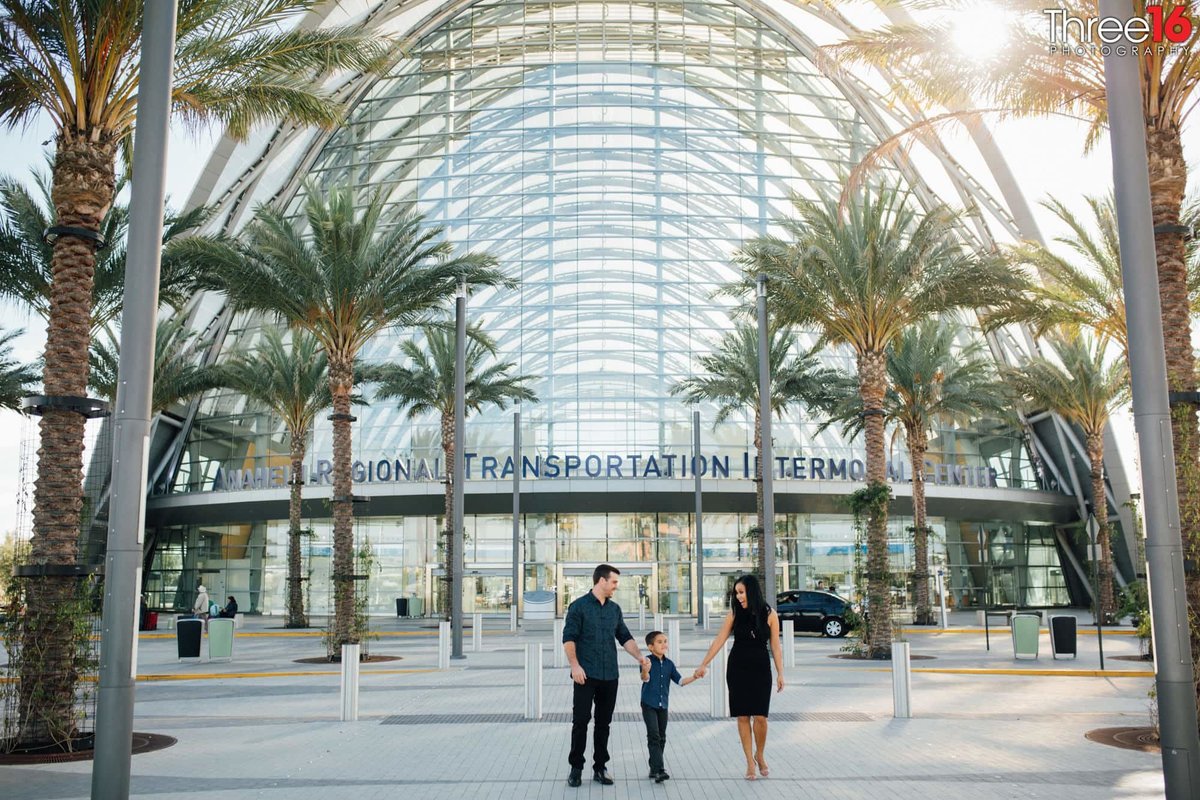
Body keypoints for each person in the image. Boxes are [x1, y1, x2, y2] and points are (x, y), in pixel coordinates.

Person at [562, 563, 650, 787]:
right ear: (602, 581)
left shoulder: (614, 610)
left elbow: (624, 637)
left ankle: (600, 767)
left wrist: (640, 657)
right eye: (614, 582)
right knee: (580, 721)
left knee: (604, 723)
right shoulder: (578, 607)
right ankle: (576, 768)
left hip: (610, 675)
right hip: (585, 674)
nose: (616, 587)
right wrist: (574, 666)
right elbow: (569, 638)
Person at [695, 574, 785, 781]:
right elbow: (719, 640)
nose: (738, 596)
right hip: (738, 668)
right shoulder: (734, 613)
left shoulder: (770, 614)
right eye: (736, 593)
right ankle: (749, 762)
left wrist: (780, 673)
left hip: (761, 668)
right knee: (743, 716)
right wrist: (704, 664)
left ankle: (759, 754)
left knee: (761, 717)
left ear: (752, 591)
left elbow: (776, 646)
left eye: (741, 592)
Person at [639, 630, 701, 783]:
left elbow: (680, 681)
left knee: (662, 737)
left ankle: (654, 768)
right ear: (650, 647)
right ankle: (660, 770)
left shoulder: (669, 664)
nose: (664, 644)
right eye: (659, 642)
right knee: (653, 735)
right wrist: (645, 671)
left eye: (665, 641)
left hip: (663, 705)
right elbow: (644, 678)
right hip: (648, 704)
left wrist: (695, 676)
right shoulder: (646, 661)